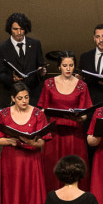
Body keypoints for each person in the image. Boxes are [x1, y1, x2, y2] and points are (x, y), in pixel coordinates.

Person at [40, 52, 94, 190]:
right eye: (65, 65)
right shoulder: (49, 83)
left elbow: (85, 114)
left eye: (71, 65)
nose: (68, 68)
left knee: (75, 168)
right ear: (59, 66)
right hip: (55, 134)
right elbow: (43, 110)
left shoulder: (82, 85)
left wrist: (79, 117)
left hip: (74, 134)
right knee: (52, 168)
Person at [0, 12, 47, 106]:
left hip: (33, 95)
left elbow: (40, 65)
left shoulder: (35, 44)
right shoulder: (1, 48)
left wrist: (42, 72)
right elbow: (0, 75)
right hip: (12, 95)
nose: (19, 32)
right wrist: (12, 79)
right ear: (10, 29)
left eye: (22, 29)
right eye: (15, 29)